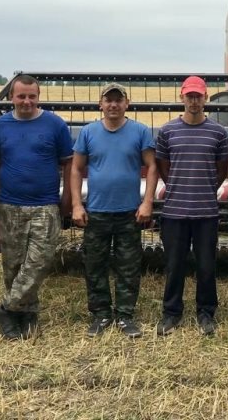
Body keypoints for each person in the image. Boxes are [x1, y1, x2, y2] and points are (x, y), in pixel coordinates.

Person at [0, 74, 73, 340]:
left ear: (38, 97)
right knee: (13, 265)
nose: (26, 101)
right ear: (12, 97)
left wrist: (67, 198)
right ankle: (23, 314)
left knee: (39, 261)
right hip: (10, 204)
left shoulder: (55, 125)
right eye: (20, 96)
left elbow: (68, 164)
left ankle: (4, 308)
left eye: (31, 96)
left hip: (45, 204)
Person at [70, 82, 157, 338]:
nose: (113, 105)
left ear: (126, 104)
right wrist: (76, 205)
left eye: (119, 100)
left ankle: (125, 316)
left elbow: (152, 167)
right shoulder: (88, 132)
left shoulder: (140, 131)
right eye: (109, 100)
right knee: (95, 265)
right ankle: (100, 315)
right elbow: (76, 169)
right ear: (101, 104)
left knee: (128, 266)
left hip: (129, 212)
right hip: (96, 212)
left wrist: (147, 202)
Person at [154, 76, 228, 337]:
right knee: (174, 264)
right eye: (190, 96)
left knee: (206, 265)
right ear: (182, 98)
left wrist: (205, 187)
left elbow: (221, 170)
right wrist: (179, 185)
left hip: (206, 211)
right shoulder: (167, 131)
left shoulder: (218, 133)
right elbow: (164, 168)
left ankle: (206, 312)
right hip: (175, 211)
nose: (194, 101)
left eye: (199, 96)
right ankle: (171, 313)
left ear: (206, 98)